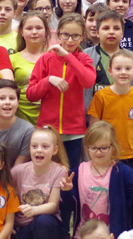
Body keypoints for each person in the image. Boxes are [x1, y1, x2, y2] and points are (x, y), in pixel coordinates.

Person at [27, 13, 95, 169]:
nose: (70, 40)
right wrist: (48, 80)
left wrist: (67, 57)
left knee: (69, 173)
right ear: (58, 35)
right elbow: (31, 95)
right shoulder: (46, 59)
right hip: (47, 129)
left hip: (74, 131)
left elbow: (88, 82)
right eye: (65, 35)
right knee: (46, 172)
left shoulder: (84, 59)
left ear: (82, 37)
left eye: (75, 36)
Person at [63, 121, 133, 239]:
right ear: (87, 148)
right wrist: (66, 192)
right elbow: (68, 207)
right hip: (82, 238)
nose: (98, 152)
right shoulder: (78, 172)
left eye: (104, 148)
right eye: (93, 148)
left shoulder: (123, 173)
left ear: (113, 147)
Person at [11, 125, 71, 239]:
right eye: (34, 146)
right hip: (22, 227)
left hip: (46, 224)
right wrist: (8, 224)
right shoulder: (17, 171)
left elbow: (53, 205)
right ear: (29, 148)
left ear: (54, 150)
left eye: (45, 147)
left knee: (44, 221)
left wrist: (34, 210)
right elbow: (7, 201)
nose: (39, 150)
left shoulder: (59, 171)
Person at [87, 50, 133, 169]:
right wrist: (94, 155)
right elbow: (93, 128)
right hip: (106, 155)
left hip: (130, 155)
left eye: (128, 68)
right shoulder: (101, 96)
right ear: (110, 71)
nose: (123, 72)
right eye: (118, 68)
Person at [84, 9, 133, 111]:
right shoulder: (86, 56)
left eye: (116, 28)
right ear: (97, 33)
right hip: (94, 116)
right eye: (106, 28)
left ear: (122, 33)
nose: (111, 32)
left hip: (124, 114)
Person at [9, 11, 50, 126]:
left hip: (48, 119)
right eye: (29, 28)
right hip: (20, 119)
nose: (34, 32)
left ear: (46, 31)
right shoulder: (12, 59)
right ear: (21, 32)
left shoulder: (54, 58)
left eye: (39, 28)